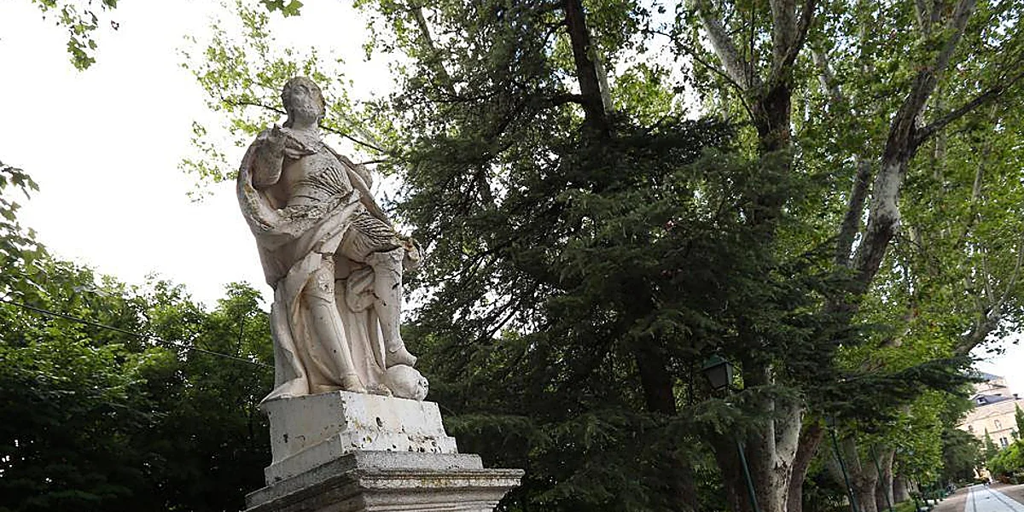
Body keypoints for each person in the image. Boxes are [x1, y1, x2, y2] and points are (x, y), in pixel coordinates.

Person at [237, 77, 424, 401]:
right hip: (304, 219)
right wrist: (275, 150)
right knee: (316, 283)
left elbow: (356, 188)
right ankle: (349, 378)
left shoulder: (331, 152)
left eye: (310, 92)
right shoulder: (280, 138)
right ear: (288, 105)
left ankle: (393, 345)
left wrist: (358, 178)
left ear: (321, 106)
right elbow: (264, 179)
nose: (304, 97)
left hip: (346, 213)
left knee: (392, 251)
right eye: (296, 93)